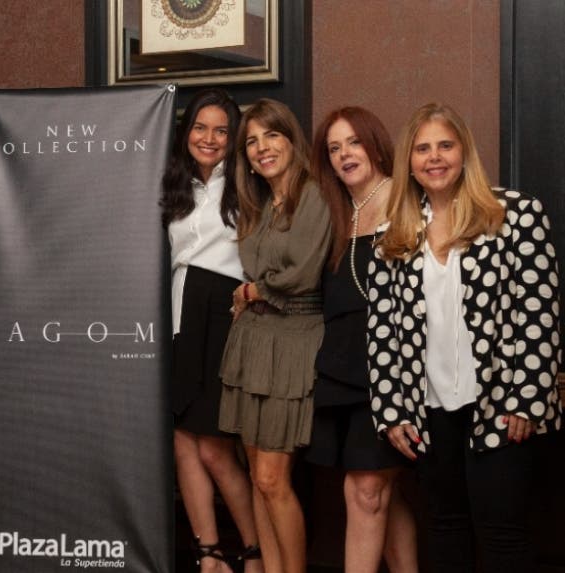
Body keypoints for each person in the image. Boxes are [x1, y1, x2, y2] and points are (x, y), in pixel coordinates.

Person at [368, 102, 561, 572]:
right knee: (444, 527)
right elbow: (381, 332)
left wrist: (527, 399)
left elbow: (539, 313)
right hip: (429, 410)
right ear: (409, 161)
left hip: (502, 405)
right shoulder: (392, 235)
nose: (434, 157)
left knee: (503, 535)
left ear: (464, 152)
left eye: (445, 146)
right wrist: (392, 410)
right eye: (422, 149)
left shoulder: (515, 214)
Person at [218, 98, 330, 573]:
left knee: (271, 479)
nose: (262, 148)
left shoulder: (314, 195)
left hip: (293, 341)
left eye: (272, 135)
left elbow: (302, 274)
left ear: (291, 139)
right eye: (251, 141)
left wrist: (253, 290)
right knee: (255, 477)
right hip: (253, 341)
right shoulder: (261, 204)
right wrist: (254, 294)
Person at [308, 106, 417, 573]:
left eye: (353, 142)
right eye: (334, 148)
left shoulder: (406, 201)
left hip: (390, 369)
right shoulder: (335, 212)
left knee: (367, 489)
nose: (344, 154)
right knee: (378, 492)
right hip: (341, 368)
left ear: (375, 145)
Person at [161, 88, 263, 573]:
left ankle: (256, 550)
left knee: (217, 448)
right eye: (200, 127)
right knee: (183, 439)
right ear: (186, 133)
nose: (209, 138)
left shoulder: (248, 184)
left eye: (221, 130)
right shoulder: (172, 185)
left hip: (227, 315)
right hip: (179, 313)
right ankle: (210, 555)